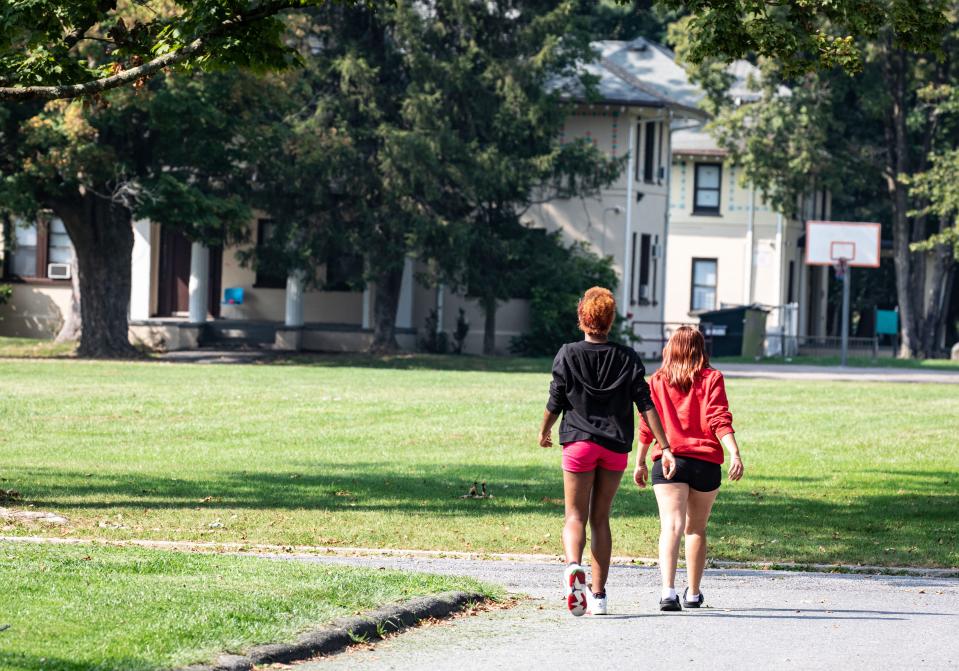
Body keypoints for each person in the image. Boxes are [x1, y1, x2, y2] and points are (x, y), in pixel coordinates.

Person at [539, 287, 670, 617]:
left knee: (574, 516)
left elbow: (556, 399)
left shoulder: (567, 353)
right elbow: (646, 404)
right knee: (600, 519)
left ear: (582, 316)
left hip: (578, 444)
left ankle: (573, 567)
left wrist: (544, 430)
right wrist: (664, 445)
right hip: (614, 447)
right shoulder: (627, 357)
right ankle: (598, 596)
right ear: (610, 320)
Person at [634, 326, 744, 611]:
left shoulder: (657, 380)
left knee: (670, 526)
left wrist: (640, 460)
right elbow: (719, 417)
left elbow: (648, 423)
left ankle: (668, 592)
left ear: (670, 348)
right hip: (705, 462)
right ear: (701, 349)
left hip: (668, 460)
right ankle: (693, 593)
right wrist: (734, 453)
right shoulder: (712, 378)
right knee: (695, 529)